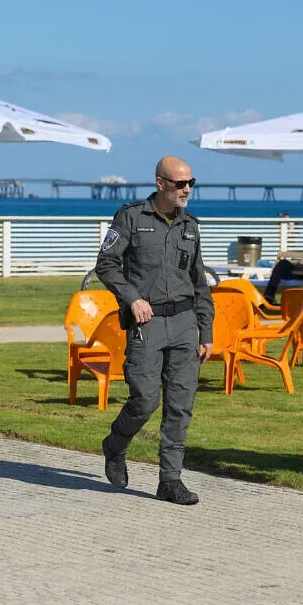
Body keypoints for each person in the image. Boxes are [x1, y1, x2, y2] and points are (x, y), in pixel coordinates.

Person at [95, 155, 215, 506]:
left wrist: (206, 330)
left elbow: (199, 281)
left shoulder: (190, 226)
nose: (187, 189)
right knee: (145, 400)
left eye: (191, 183)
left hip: (184, 324)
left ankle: (170, 481)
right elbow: (106, 264)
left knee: (180, 404)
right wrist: (131, 298)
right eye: (180, 184)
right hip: (147, 325)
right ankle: (115, 445)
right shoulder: (131, 217)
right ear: (160, 183)